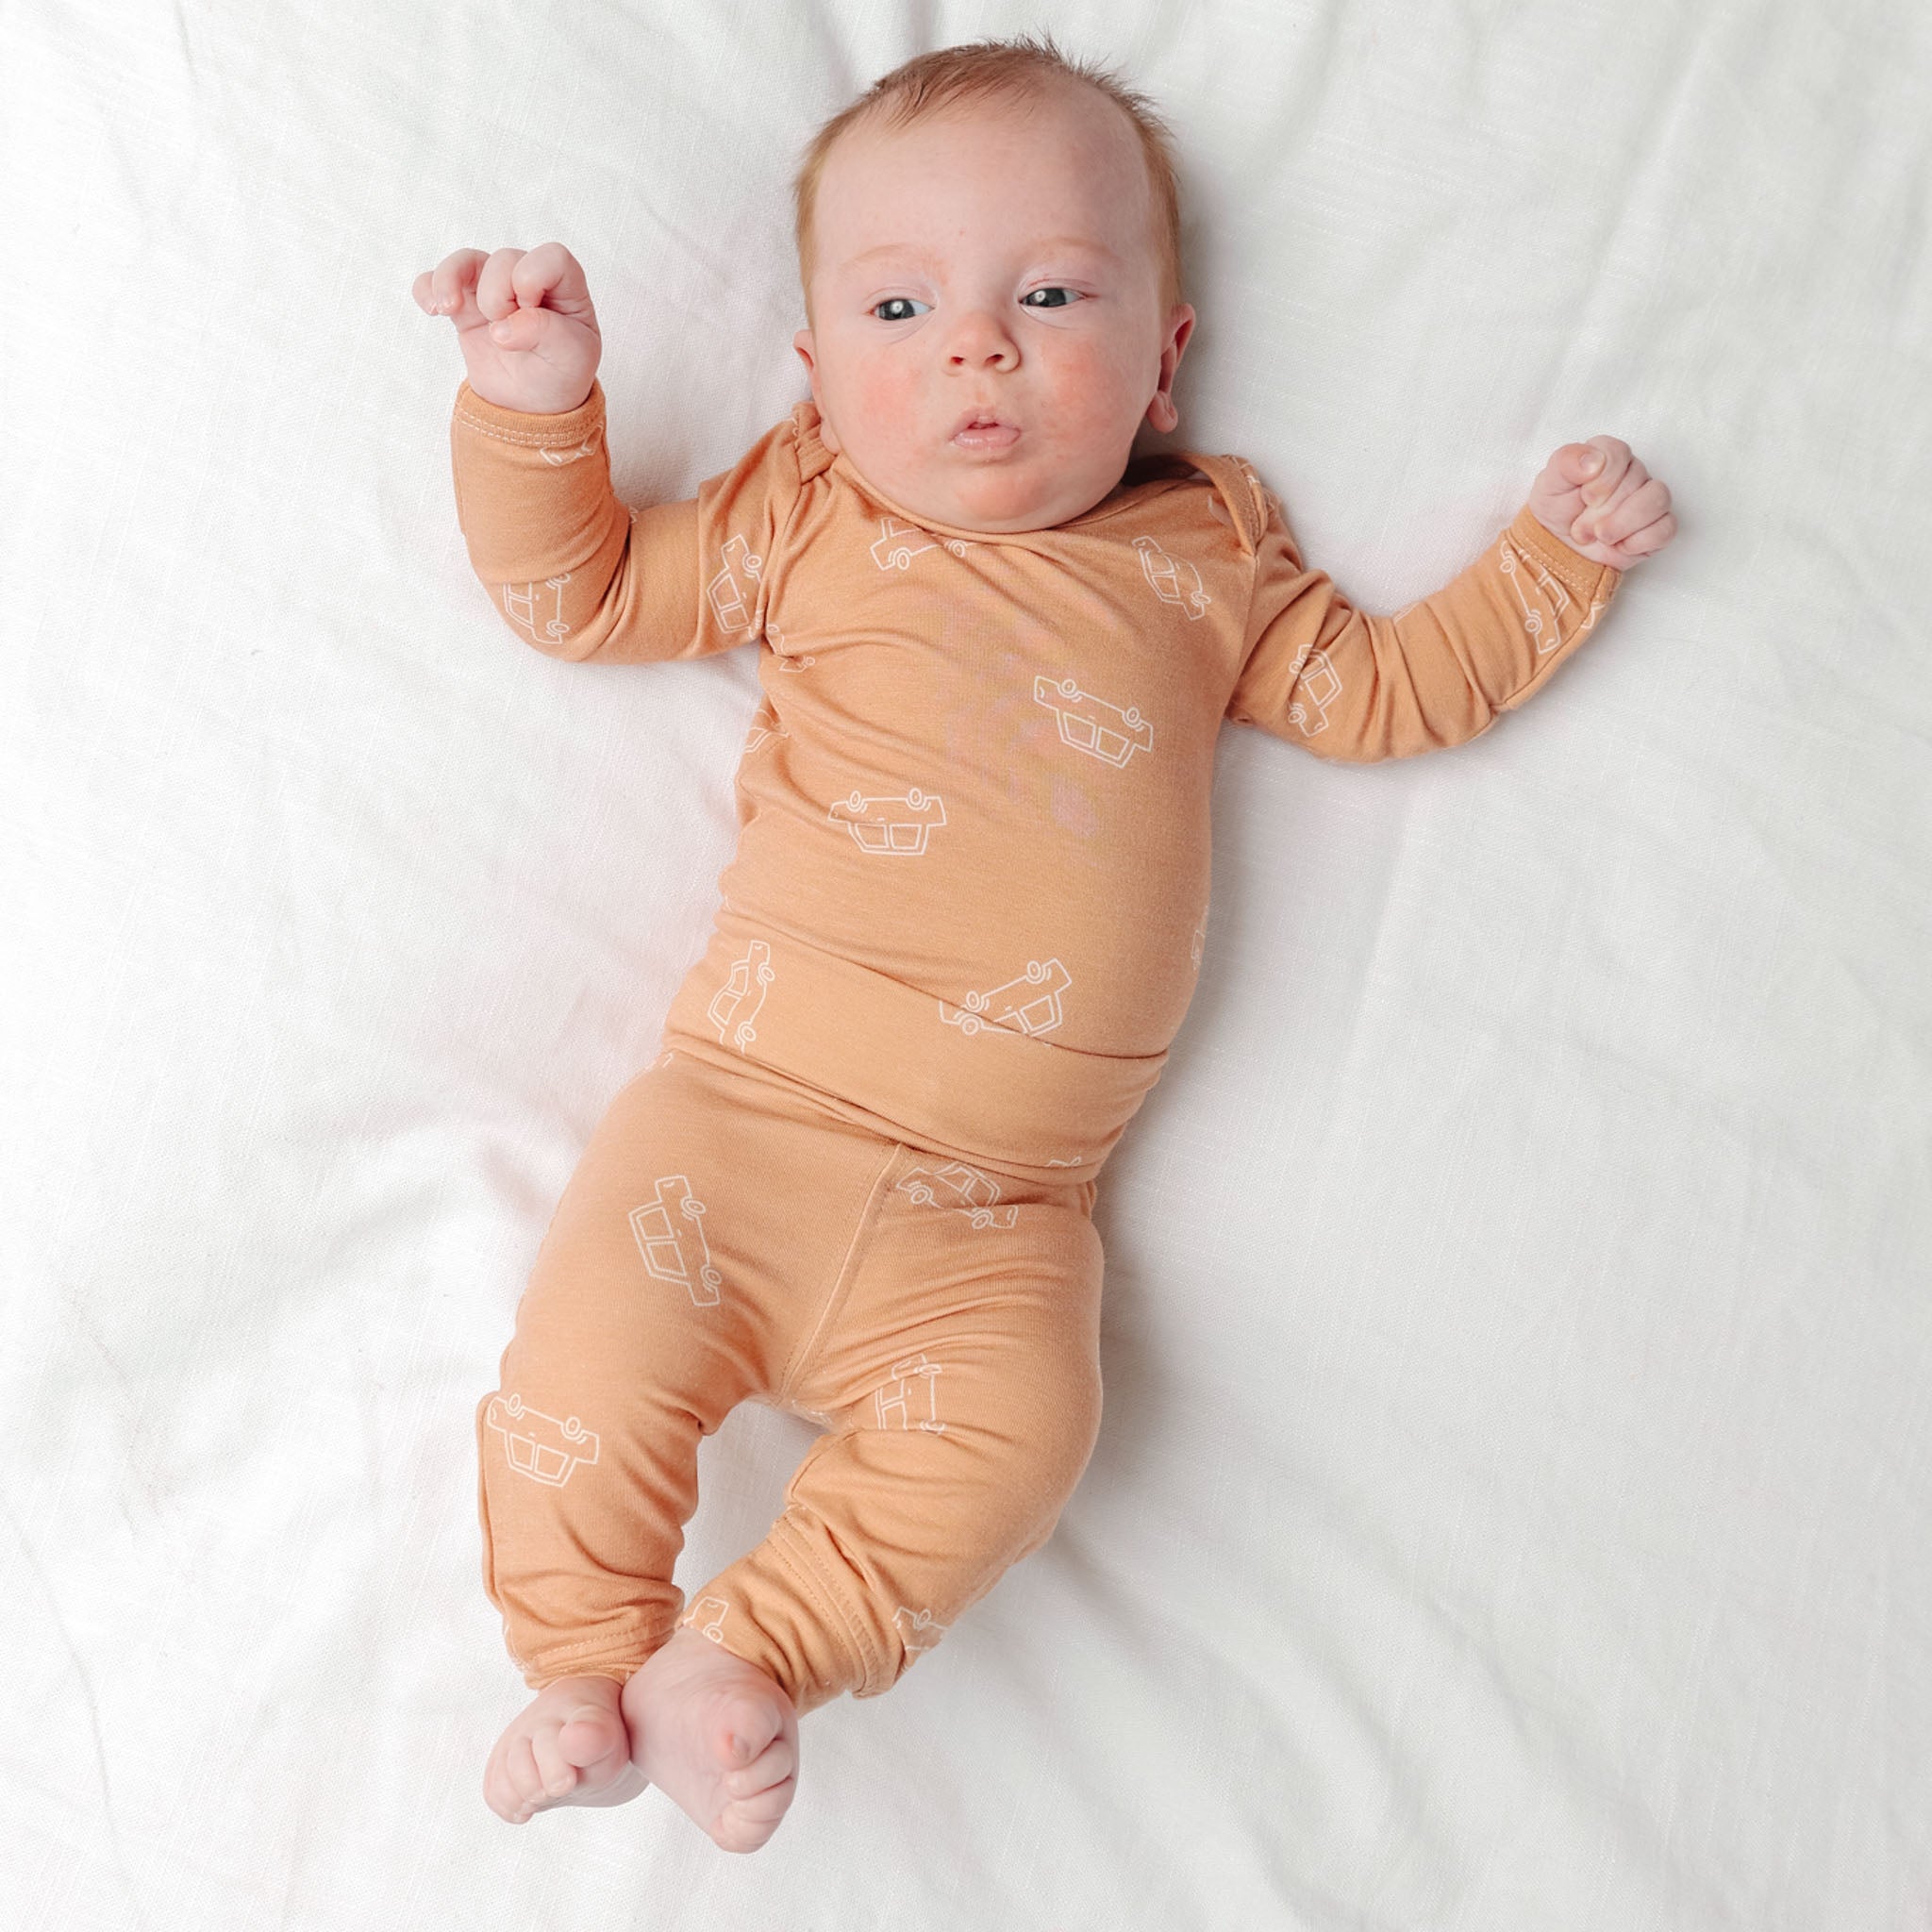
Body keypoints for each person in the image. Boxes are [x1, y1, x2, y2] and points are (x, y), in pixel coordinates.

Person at [412, 30, 1676, 1855]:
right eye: (901, 306)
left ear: (1164, 359)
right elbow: (584, 591)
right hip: (736, 1129)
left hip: (998, 1219)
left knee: (1024, 1432)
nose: (977, 348)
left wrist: (1548, 564)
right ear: (818, 373)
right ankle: (584, 1665)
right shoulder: (807, 508)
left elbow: (1388, 692)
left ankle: (752, 1653)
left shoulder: (1210, 554)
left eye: (1053, 294)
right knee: (584, 1374)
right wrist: (537, 402)